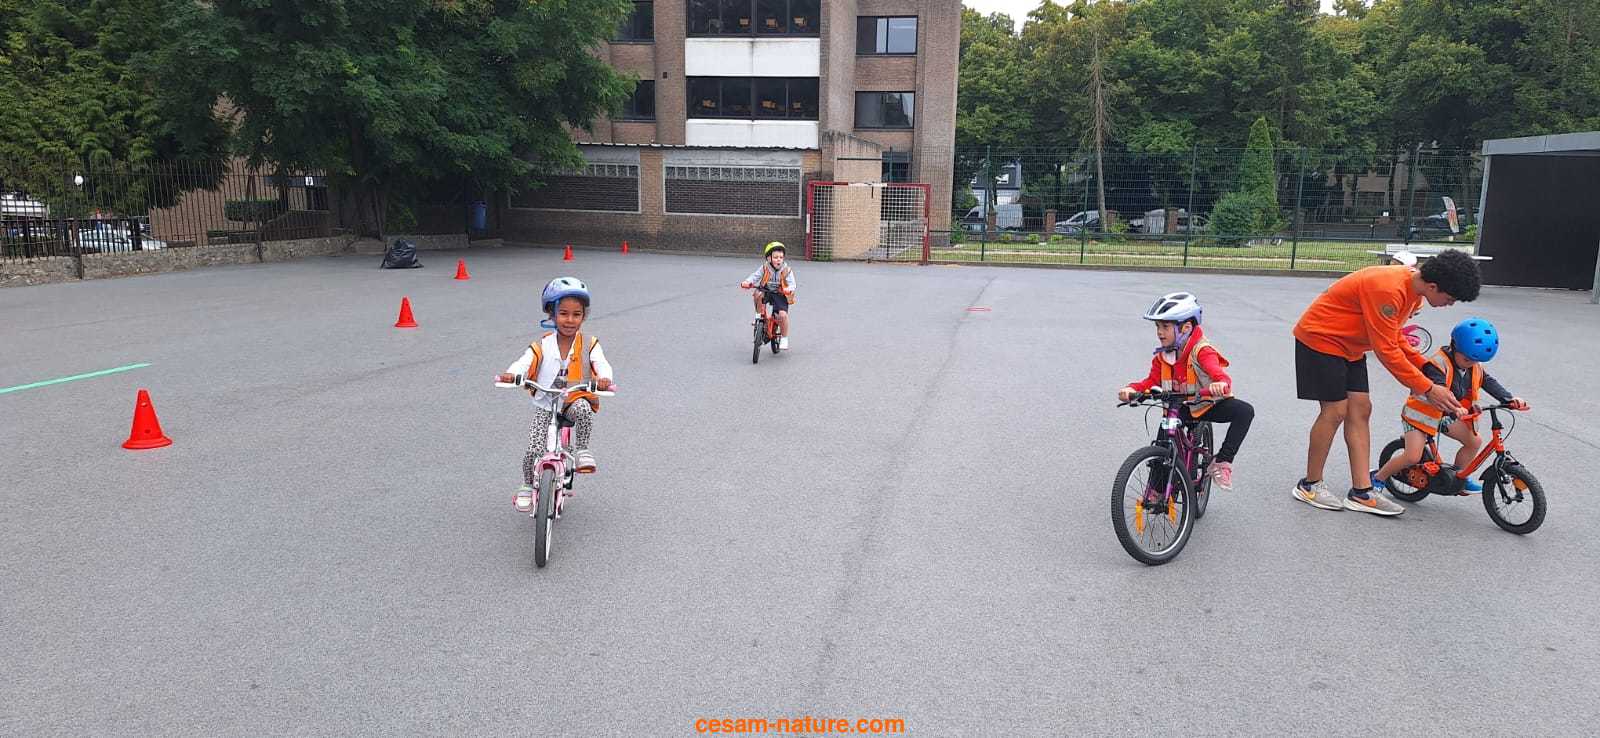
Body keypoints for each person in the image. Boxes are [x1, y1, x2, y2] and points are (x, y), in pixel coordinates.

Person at [1291, 250, 1481, 516]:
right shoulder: (1388, 290)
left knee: (1361, 409)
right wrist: (1427, 388)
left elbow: (1394, 335)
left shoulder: (1415, 293)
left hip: (1351, 346)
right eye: (1449, 299)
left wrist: (1424, 365)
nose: (1450, 304)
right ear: (1433, 286)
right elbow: (1386, 350)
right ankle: (1310, 485)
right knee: (1335, 410)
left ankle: (1362, 492)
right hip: (1321, 339)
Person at [497, 277, 615, 513]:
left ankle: (582, 449)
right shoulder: (542, 345)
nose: (570, 320)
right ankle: (527, 484)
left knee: (583, 409)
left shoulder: (589, 344)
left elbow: (601, 363)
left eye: (576, 314)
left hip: (573, 398)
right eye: (563, 313)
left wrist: (604, 378)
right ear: (551, 314)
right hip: (546, 403)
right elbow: (524, 362)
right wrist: (512, 374)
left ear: (584, 316)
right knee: (534, 448)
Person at [1372, 318, 1529, 494]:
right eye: (1467, 359)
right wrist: (1455, 408)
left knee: (1474, 441)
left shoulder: (1473, 365)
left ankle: (1459, 477)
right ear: (1454, 346)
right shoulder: (1437, 365)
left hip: (1444, 416)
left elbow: (1488, 381)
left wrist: (1509, 398)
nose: (1471, 363)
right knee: (1412, 456)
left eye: (1475, 361)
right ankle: (1379, 477)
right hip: (1420, 415)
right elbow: (1439, 391)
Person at [1117, 292, 1256, 490]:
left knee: (1245, 411)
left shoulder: (1202, 351)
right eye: (1157, 327)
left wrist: (1219, 384)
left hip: (1207, 404)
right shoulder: (1163, 357)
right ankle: (1157, 490)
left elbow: (1220, 375)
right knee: (1163, 440)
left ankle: (1222, 462)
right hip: (1180, 407)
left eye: (1165, 327)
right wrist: (1132, 389)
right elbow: (1151, 381)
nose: (1159, 332)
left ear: (1186, 328)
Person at [740, 241, 797, 350]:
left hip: (780, 294)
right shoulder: (765, 267)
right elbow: (755, 276)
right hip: (766, 290)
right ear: (769, 258)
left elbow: (792, 284)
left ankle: (784, 338)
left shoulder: (787, 270)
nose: (779, 259)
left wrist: (788, 289)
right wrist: (747, 282)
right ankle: (758, 316)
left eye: (781, 257)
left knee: (782, 315)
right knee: (757, 294)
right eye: (775, 257)